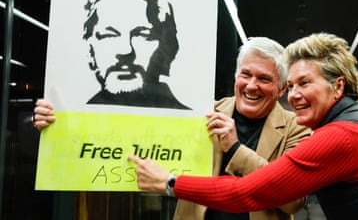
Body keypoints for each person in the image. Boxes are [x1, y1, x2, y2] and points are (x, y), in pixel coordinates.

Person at [128, 32, 358, 219]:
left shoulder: (341, 135)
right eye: (294, 85)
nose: (295, 95)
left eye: (304, 84)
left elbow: (250, 194)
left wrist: (170, 183)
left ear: (337, 87)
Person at [33, 37, 312, 220]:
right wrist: (60, 123)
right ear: (236, 76)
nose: (252, 86)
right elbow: (128, 139)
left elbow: (293, 202)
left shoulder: (297, 129)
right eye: (246, 75)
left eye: (264, 79)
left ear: (282, 89)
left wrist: (236, 149)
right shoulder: (201, 112)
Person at [82, 0, 190, 109]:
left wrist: (219, 128)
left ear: (167, 48)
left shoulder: (199, 124)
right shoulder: (64, 116)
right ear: (89, 50)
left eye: (141, 34)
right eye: (108, 35)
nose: (125, 50)